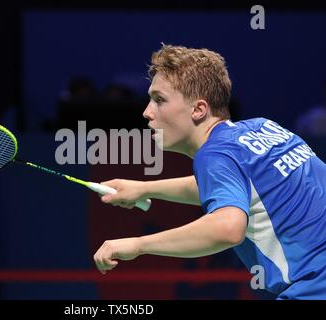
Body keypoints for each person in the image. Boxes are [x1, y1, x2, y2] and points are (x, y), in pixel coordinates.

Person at [93, 44, 326, 300]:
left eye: (159, 100)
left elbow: (228, 227)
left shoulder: (213, 154)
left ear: (198, 110)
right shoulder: (264, 128)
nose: (147, 112)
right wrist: (144, 188)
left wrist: (137, 245)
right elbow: (232, 189)